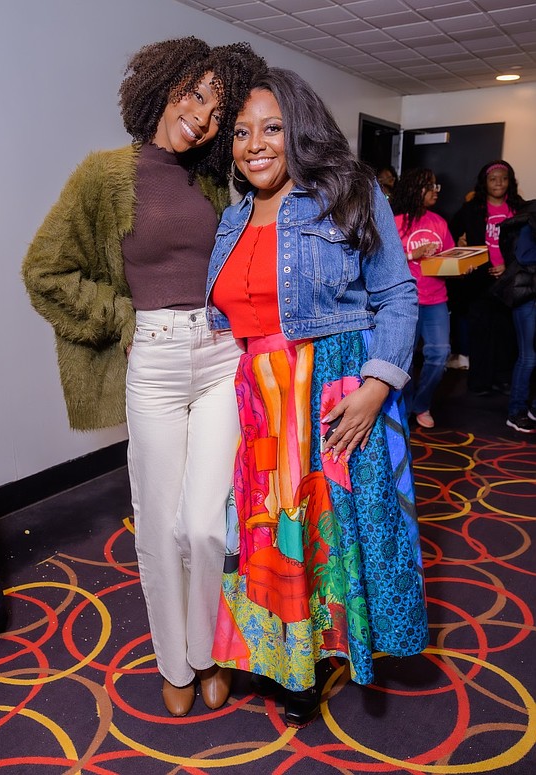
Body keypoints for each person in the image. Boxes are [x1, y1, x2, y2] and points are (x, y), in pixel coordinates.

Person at [22, 37, 267, 717]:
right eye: (195, 93)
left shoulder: (218, 181)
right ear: (164, 85)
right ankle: (178, 662)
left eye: (219, 110)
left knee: (207, 525)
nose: (203, 116)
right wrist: (120, 318)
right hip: (154, 361)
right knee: (159, 525)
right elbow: (45, 270)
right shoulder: (103, 174)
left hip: (222, 357)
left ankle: (213, 649)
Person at [205, 68, 429, 728]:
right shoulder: (232, 215)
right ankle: (288, 661)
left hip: (336, 388)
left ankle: (328, 655)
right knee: (274, 537)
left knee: (337, 538)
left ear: (299, 128)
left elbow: (397, 294)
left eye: (271, 128)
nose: (255, 144)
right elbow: (230, 316)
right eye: (242, 132)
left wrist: (377, 384)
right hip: (261, 402)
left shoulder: (346, 191)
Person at [449, 161, 525, 395]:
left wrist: (508, 266)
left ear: (510, 182)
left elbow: (528, 245)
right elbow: (452, 238)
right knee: (480, 333)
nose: (499, 182)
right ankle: (479, 383)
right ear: (485, 183)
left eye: (503, 178)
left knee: (506, 333)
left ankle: (502, 380)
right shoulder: (471, 209)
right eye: (493, 179)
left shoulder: (521, 209)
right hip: (478, 283)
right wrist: (459, 244)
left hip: (510, 281)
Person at [392, 168, 455, 429]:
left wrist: (463, 265)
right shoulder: (394, 222)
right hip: (404, 301)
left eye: (435, 186)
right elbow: (380, 262)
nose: (434, 191)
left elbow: (449, 258)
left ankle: (421, 404)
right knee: (403, 359)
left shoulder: (439, 222)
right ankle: (404, 407)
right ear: (413, 189)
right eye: (429, 186)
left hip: (436, 299)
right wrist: (412, 255)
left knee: (440, 355)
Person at [496, 200, 536, 432]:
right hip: (527, 297)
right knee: (528, 357)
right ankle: (516, 411)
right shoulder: (529, 219)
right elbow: (524, 255)